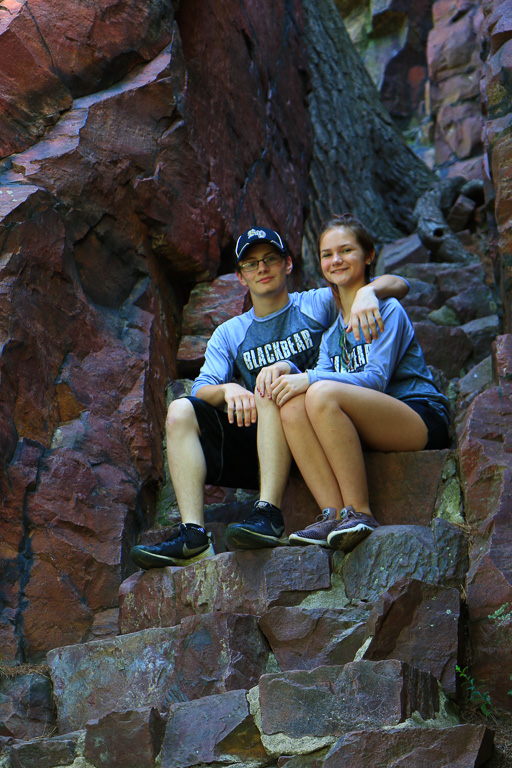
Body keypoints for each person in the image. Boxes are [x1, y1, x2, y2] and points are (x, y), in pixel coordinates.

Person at [130, 225, 409, 569]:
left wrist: (369, 291)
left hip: (317, 425)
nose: (262, 269)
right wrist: (229, 388)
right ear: (241, 276)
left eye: (270, 259)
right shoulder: (230, 332)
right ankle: (193, 536)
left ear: (288, 265)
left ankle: (269, 513)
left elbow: (396, 286)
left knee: (270, 385)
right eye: (251, 264)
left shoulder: (317, 303)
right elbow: (202, 388)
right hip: (264, 445)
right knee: (180, 410)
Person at [266, 213, 450, 552]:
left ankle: (360, 512)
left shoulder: (388, 309)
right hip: (370, 421)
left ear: (368, 256)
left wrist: (308, 378)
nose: (335, 260)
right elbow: (317, 383)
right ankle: (332, 514)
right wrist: (292, 372)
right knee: (292, 405)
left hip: (418, 414)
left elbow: (376, 380)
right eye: (326, 254)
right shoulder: (332, 333)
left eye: (346, 250)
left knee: (318, 391)